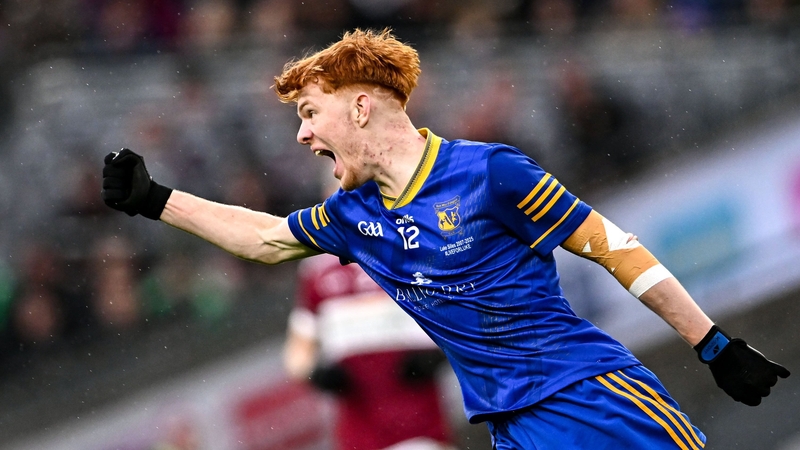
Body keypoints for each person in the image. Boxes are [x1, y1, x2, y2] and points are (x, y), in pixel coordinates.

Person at [101, 29, 790, 449]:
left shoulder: (488, 172)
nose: (303, 134)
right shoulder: (353, 216)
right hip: (508, 426)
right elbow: (267, 240)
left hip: (588, 400)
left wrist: (713, 344)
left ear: (362, 106)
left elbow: (613, 245)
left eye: (311, 113)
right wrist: (158, 200)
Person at [284, 252, 455, 450]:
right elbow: (296, 355)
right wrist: (316, 374)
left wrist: (440, 354)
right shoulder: (317, 270)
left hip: (424, 427)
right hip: (361, 435)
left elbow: (460, 319)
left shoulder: (412, 250)